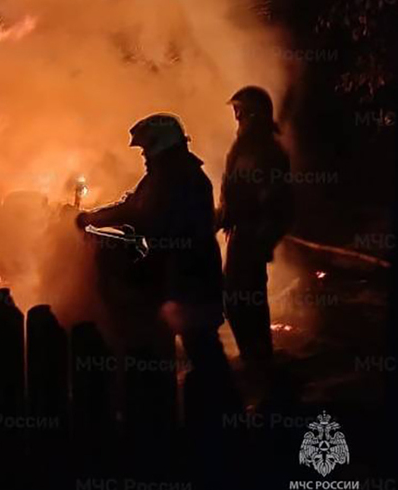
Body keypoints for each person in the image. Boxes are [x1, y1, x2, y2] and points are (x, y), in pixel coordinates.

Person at [77, 113, 240, 486]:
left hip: (190, 281)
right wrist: (95, 217)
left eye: (146, 149)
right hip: (183, 281)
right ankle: (214, 426)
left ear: (160, 145)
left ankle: (223, 434)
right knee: (194, 351)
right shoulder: (170, 174)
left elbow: (152, 221)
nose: (143, 157)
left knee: (203, 352)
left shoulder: (177, 179)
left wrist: (96, 222)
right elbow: (137, 206)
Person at [218, 86, 293, 366]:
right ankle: (257, 362)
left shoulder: (264, 152)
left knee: (245, 303)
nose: (237, 119)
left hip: (249, 239)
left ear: (254, 115)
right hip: (241, 236)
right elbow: (235, 197)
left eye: (241, 112)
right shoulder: (246, 148)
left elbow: (276, 202)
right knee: (237, 301)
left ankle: (261, 367)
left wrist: (261, 242)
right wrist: (215, 220)